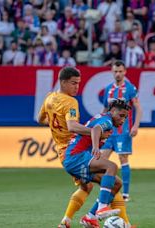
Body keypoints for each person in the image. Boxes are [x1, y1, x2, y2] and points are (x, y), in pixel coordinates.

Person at [37, 67, 131, 228]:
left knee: (104, 184)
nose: (77, 87)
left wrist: (58, 127)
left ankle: (70, 220)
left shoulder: (49, 98)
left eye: (79, 83)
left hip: (65, 150)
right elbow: (73, 127)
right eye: (74, 83)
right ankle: (105, 216)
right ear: (63, 82)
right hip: (73, 151)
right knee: (108, 178)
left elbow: (41, 119)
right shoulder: (70, 102)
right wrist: (97, 135)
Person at [64, 99, 131, 227]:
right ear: (112, 111)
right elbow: (96, 129)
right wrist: (95, 147)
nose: (122, 120)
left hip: (75, 159)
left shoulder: (104, 119)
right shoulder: (107, 121)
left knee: (117, 183)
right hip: (76, 156)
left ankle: (90, 217)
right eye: (121, 115)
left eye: (125, 117)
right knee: (112, 166)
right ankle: (102, 208)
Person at [101, 60, 142, 202]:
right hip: (108, 131)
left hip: (123, 131)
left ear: (125, 72)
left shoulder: (130, 88)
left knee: (123, 159)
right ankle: (106, 188)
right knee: (101, 160)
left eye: (120, 71)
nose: (118, 74)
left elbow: (138, 107)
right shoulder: (108, 89)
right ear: (112, 72)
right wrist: (99, 124)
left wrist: (135, 126)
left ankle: (125, 194)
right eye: (115, 71)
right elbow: (105, 109)